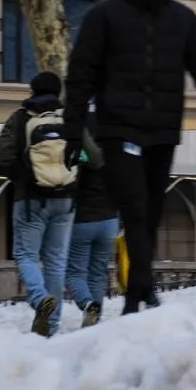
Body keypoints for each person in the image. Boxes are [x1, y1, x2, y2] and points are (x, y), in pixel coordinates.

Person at [63, 0, 196, 314]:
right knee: (135, 207)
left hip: (163, 131)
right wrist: (73, 131)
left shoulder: (183, 19)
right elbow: (81, 75)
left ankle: (139, 289)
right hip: (119, 130)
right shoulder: (104, 16)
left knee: (151, 211)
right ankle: (139, 293)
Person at [0, 72, 79, 335]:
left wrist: (23, 178)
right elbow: (83, 155)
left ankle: (40, 299)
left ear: (32, 90)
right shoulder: (69, 118)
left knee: (26, 255)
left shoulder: (20, 118)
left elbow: (1, 155)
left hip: (31, 200)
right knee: (56, 262)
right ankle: (51, 325)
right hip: (65, 198)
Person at [63, 136, 117, 328]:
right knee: (98, 274)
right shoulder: (114, 154)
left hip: (83, 221)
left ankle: (87, 304)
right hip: (109, 222)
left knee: (74, 273)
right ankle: (94, 324)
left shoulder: (80, 156)